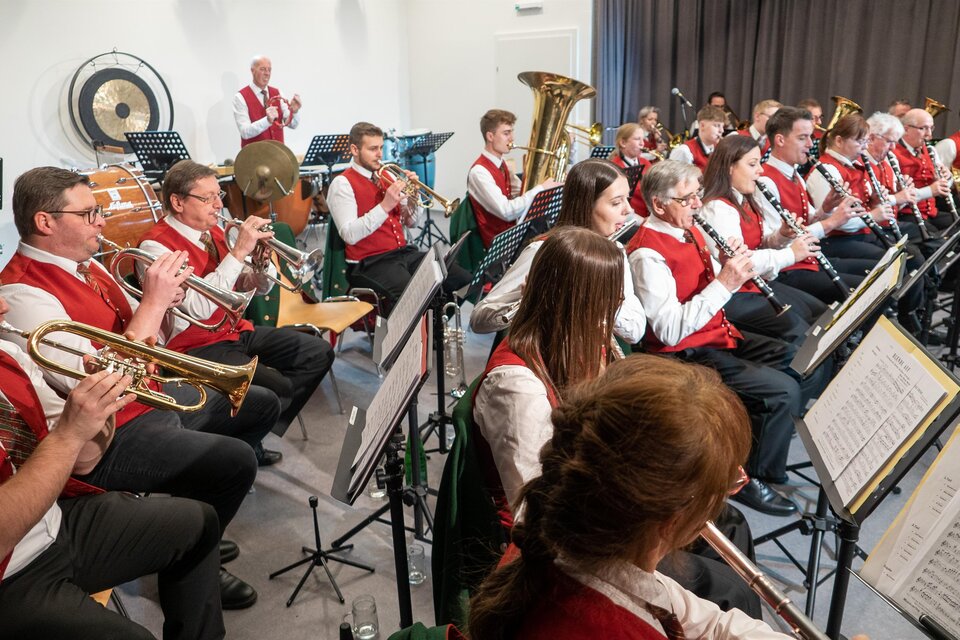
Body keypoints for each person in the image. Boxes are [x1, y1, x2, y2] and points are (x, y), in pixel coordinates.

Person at [0, 167, 259, 609]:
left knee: (256, 407)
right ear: (45, 222)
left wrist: (167, 301)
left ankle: (196, 530)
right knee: (234, 462)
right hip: (107, 430)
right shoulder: (24, 294)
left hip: (145, 401)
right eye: (89, 213)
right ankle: (196, 556)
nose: (102, 221)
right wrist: (155, 303)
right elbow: (102, 381)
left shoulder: (91, 265)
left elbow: (154, 330)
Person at [472, 227, 760, 618]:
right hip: (574, 539)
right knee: (729, 591)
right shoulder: (515, 385)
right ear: (573, 303)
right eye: (607, 305)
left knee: (730, 521)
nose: (613, 319)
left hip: (601, 499)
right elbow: (535, 506)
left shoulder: (585, 341)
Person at [467, 355, 790, 639]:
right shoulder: (606, 621)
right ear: (672, 517)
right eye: (728, 483)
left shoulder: (570, 554)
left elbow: (704, 620)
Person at [0, 295, 224, 640]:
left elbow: (85, 459)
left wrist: (106, 400)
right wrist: (67, 436)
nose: (3, 305)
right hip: (10, 573)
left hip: (53, 520)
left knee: (199, 522)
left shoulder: (8, 357)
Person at [629, 160, 825, 515]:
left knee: (802, 358)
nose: (697, 205)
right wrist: (726, 283)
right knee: (783, 391)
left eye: (697, 196)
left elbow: (704, 277)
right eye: (687, 199)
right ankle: (752, 478)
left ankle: (752, 434)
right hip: (682, 354)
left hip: (715, 333)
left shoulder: (686, 228)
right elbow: (669, 329)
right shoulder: (648, 253)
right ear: (659, 205)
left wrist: (726, 260)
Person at [139, 160, 334, 453]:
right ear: (177, 202)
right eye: (208, 198)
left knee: (317, 352)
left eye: (220, 196)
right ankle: (243, 442)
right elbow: (198, 311)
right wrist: (240, 250)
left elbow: (250, 288)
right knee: (275, 389)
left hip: (233, 331)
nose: (218, 205)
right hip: (193, 346)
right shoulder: (155, 247)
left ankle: (249, 435)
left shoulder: (213, 230)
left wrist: (259, 267)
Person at [470, 159, 646, 345]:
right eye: (616, 202)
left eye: (628, 198)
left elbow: (635, 332)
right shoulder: (544, 251)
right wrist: (532, 300)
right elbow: (479, 319)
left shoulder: (615, 250)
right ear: (587, 205)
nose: (629, 209)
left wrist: (597, 296)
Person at [327, 122, 472, 315]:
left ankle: (435, 331)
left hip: (401, 253)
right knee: (414, 295)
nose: (380, 154)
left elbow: (411, 222)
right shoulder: (342, 183)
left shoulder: (387, 174)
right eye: (372, 149)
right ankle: (419, 339)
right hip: (369, 262)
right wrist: (385, 205)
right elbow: (349, 235)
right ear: (354, 149)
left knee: (459, 278)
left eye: (380, 147)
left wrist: (413, 198)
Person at [699, 135, 822, 343]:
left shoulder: (744, 198)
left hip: (755, 283)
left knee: (817, 313)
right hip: (733, 294)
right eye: (752, 164)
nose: (761, 170)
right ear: (729, 167)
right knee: (801, 333)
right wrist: (790, 254)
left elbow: (757, 244)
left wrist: (782, 235)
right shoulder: (717, 208)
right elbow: (740, 262)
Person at [756, 106, 872, 304]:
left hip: (809, 260)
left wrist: (825, 209)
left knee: (873, 280)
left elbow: (807, 218)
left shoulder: (795, 175)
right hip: (787, 270)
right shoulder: (766, 181)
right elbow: (779, 243)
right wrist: (832, 222)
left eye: (810, 137)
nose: (811, 144)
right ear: (780, 140)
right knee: (863, 294)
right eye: (803, 138)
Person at [466, 109, 560, 248]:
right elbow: (507, 211)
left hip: (513, 234)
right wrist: (541, 189)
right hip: (499, 245)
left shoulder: (502, 164)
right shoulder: (479, 172)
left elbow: (521, 190)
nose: (512, 138)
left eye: (511, 132)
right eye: (506, 133)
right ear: (490, 136)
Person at [892, 108, 954, 232]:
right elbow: (898, 196)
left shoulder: (930, 150)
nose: (929, 134)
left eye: (931, 128)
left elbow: (944, 185)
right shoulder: (893, 153)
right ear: (906, 129)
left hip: (932, 212)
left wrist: (947, 178)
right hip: (907, 214)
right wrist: (930, 191)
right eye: (923, 128)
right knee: (935, 238)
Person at [233, 55, 301, 148]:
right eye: (263, 69)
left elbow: (292, 125)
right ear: (252, 71)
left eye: (269, 70)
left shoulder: (278, 93)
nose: (267, 73)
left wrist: (294, 111)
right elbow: (245, 132)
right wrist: (267, 120)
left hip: (279, 156)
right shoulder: (240, 97)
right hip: (254, 158)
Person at [608, 123, 652, 216]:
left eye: (643, 139)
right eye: (637, 139)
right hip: (628, 218)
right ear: (623, 143)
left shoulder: (646, 162)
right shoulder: (614, 167)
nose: (642, 144)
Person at [669, 105, 726, 171]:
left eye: (722, 126)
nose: (722, 131)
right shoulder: (684, 151)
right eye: (717, 125)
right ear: (702, 126)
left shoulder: (720, 149)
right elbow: (674, 179)